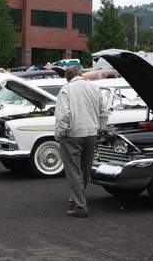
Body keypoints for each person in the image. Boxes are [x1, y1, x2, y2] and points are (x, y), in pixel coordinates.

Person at [54, 67, 109, 217]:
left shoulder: (66, 89)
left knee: (73, 171)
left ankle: (80, 206)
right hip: (91, 132)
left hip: (72, 133)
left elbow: (63, 115)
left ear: (68, 77)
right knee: (85, 169)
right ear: (80, 74)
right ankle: (75, 200)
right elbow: (104, 112)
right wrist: (99, 127)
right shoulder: (94, 88)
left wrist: (60, 133)